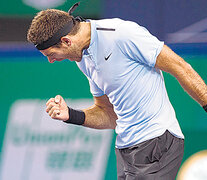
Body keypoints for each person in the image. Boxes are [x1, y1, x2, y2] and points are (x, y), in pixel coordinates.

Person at [27, 2, 207, 180]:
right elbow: (109, 114)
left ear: (66, 41)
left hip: (157, 141)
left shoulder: (122, 34)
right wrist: (70, 115)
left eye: (51, 54)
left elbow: (181, 68)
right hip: (125, 150)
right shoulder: (83, 59)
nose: (51, 61)